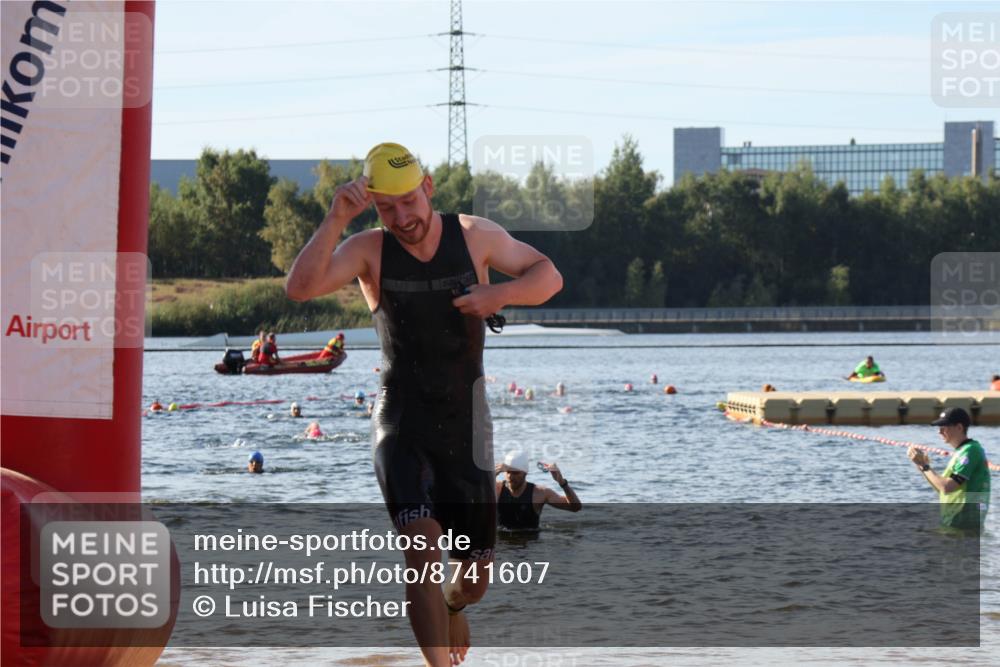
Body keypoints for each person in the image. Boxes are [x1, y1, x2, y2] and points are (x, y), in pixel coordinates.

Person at [285, 141, 562, 667]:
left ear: (427, 187)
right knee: (420, 547)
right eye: (387, 207)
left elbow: (549, 274)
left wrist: (498, 296)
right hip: (401, 420)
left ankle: (455, 604)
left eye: (409, 201)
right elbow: (300, 288)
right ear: (373, 207)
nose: (402, 217)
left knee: (474, 580)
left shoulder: (474, 235)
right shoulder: (369, 248)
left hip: (467, 427)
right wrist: (336, 217)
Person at [907, 407, 991, 532]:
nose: (939, 432)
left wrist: (925, 466)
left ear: (959, 427)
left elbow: (947, 487)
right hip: (954, 523)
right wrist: (921, 464)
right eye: (939, 427)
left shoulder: (971, 450)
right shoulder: (961, 452)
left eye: (944, 427)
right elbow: (941, 489)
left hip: (964, 525)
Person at [494, 450, 581, 531]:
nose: (510, 476)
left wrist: (562, 483)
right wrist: (490, 477)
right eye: (508, 472)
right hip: (503, 544)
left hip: (529, 544)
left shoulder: (540, 493)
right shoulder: (495, 489)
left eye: (515, 473)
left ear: (525, 473)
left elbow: (575, 507)